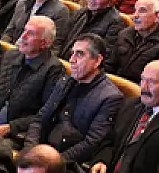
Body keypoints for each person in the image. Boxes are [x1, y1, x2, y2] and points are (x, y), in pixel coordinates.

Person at [27, 33, 124, 164]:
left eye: (80, 54)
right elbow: (40, 118)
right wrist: (30, 150)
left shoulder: (110, 97)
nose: (72, 60)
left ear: (97, 60)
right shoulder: (65, 81)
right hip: (41, 153)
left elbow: (91, 143)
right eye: (72, 53)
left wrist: (53, 163)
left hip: (66, 163)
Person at [0, 16, 65, 150]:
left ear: (44, 43)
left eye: (31, 33)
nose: (23, 36)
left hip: (17, 135)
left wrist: (11, 127)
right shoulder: (10, 55)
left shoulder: (53, 69)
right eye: (24, 30)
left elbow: (45, 115)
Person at [112, 0, 159, 83]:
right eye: (135, 10)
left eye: (142, 11)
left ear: (157, 16)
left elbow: (158, 82)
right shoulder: (125, 33)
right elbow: (110, 65)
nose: (135, 15)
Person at [3, 0, 72, 56]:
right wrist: (5, 49)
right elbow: (9, 31)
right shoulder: (22, 3)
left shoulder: (60, 11)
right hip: (12, 52)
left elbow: (54, 46)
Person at [61, 0, 125, 58]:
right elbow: (62, 37)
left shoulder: (115, 23)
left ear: (110, 2)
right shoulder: (81, 12)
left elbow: (106, 55)